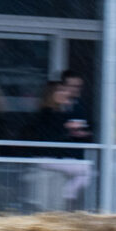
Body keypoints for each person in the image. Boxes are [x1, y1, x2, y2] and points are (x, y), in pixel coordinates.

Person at [22, 81, 93, 209]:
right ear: (51, 94)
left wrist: (73, 131)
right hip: (44, 158)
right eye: (61, 91)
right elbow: (48, 138)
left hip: (54, 158)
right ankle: (68, 195)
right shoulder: (46, 114)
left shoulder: (61, 113)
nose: (66, 94)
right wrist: (67, 129)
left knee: (87, 169)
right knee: (88, 169)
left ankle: (68, 194)